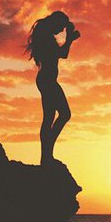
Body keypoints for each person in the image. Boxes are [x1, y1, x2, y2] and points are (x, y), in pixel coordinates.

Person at [25, 11, 80, 165]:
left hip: (46, 80)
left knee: (49, 118)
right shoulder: (46, 38)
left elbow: (62, 54)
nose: (61, 30)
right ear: (55, 23)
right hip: (48, 81)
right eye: (61, 27)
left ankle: (46, 156)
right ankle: (47, 154)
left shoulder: (46, 36)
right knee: (64, 114)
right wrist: (69, 38)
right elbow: (62, 53)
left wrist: (69, 38)